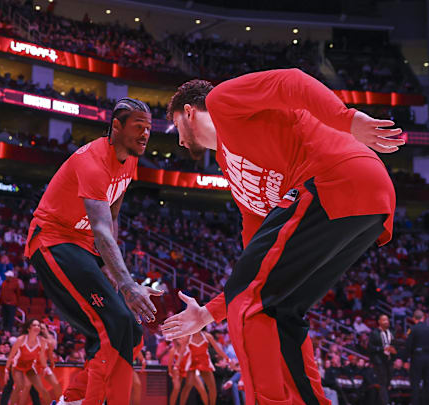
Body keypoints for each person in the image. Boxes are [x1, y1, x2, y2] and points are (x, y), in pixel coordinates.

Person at [161, 68, 401, 405]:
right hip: (362, 199)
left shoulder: (221, 101)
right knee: (280, 308)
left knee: (253, 303)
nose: (180, 141)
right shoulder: (230, 168)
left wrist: (347, 120)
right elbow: (254, 271)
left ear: (188, 111)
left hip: (334, 175)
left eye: (176, 127)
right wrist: (208, 314)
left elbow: (291, 82)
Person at [24, 97, 162, 405]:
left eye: (149, 129)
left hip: (84, 247)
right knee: (116, 325)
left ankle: (73, 399)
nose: (145, 135)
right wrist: (126, 283)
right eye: (139, 127)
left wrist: (108, 266)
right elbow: (100, 228)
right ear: (116, 126)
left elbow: (113, 215)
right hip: (53, 240)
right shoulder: (92, 160)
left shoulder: (132, 160)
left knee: (132, 334)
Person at [5, 319, 51, 405]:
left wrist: (45, 368)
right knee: (19, 386)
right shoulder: (21, 339)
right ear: (28, 328)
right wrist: (6, 370)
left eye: (38, 325)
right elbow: (11, 355)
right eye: (34, 325)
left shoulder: (41, 341)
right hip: (17, 365)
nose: (37, 327)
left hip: (29, 366)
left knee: (27, 387)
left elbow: (42, 357)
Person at [181, 330, 230, 405]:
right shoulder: (187, 337)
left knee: (212, 387)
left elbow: (218, 350)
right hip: (192, 364)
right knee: (188, 386)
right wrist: (178, 365)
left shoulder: (207, 336)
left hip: (205, 363)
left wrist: (227, 359)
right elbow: (182, 353)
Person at [406, 310, 429, 405]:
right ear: (423, 318)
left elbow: (408, 345)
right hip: (428, 358)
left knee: (415, 383)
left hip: (417, 357)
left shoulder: (412, 329)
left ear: (414, 319)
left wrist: (407, 359)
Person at [369, 314, 396, 405]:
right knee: (383, 382)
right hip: (379, 361)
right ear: (379, 322)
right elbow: (370, 347)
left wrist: (394, 350)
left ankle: (384, 401)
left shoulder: (391, 332)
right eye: (384, 320)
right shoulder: (374, 333)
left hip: (389, 360)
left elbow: (394, 344)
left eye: (387, 320)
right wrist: (382, 349)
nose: (386, 322)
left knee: (388, 382)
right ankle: (385, 403)